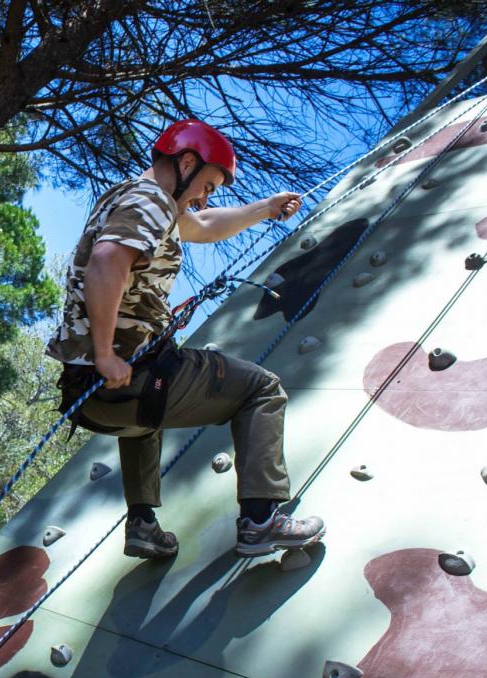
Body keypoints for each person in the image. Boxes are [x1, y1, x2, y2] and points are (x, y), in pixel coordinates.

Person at [46, 119, 325, 560]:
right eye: (207, 185)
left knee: (146, 416)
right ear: (187, 163)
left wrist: (265, 209)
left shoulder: (130, 198)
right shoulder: (152, 200)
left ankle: (142, 523)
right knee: (261, 389)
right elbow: (107, 260)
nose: (205, 197)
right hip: (124, 375)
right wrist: (105, 354)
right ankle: (260, 520)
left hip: (93, 396)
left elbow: (204, 225)